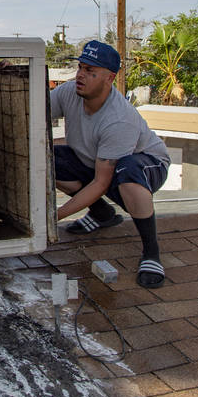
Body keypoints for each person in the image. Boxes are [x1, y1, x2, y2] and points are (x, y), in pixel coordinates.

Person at [50, 40, 170, 288]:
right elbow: (32, 109)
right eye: (81, 68)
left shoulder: (119, 120)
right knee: (47, 157)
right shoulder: (69, 92)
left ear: (109, 78)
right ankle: (103, 215)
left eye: (90, 72)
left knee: (127, 172)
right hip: (95, 161)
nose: (81, 76)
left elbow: (102, 182)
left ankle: (151, 253)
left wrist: (53, 218)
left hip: (146, 165)